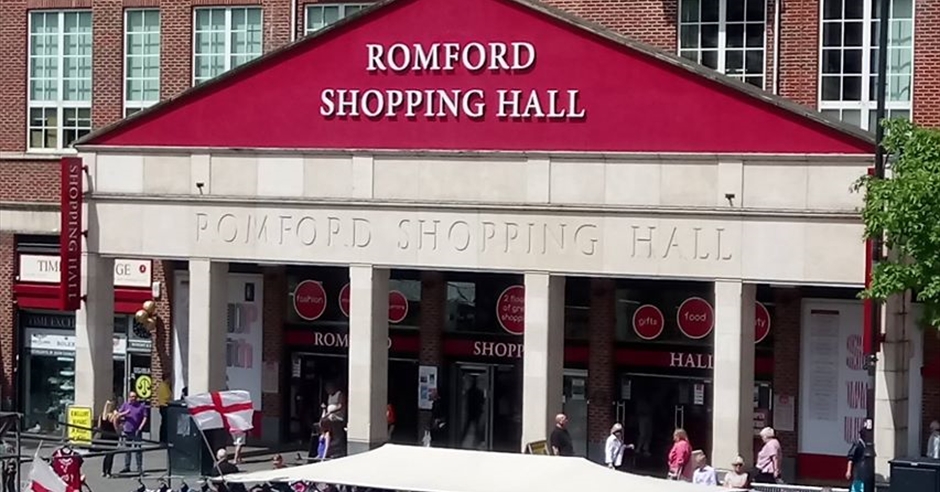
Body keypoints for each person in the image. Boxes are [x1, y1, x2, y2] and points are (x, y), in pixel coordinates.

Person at [117, 391, 148, 475]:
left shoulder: (141, 406)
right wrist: (125, 413)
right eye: (131, 397)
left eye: (134, 397)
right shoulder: (125, 405)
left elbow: (145, 417)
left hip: (137, 430)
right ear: (129, 397)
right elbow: (118, 415)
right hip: (127, 430)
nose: (133, 398)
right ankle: (127, 466)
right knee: (127, 449)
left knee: (138, 449)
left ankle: (139, 468)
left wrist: (141, 427)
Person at [97, 400, 119, 478]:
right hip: (112, 437)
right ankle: (108, 472)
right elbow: (115, 426)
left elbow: (99, 426)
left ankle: (103, 471)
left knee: (106, 455)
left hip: (104, 436)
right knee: (111, 455)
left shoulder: (102, 416)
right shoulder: (113, 416)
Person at [154, 373, 173, 444]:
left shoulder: (163, 385)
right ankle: (163, 439)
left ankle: (163, 439)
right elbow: (167, 396)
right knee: (165, 424)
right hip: (164, 406)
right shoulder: (164, 386)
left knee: (164, 423)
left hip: (162, 406)